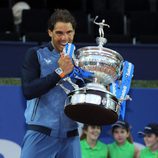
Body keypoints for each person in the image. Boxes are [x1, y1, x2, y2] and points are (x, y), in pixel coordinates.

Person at [20, 9, 82, 158]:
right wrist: (60, 72)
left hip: (71, 137)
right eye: (59, 33)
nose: (65, 38)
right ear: (50, 32)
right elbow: (29, 90)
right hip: (40, 134)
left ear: (74, 33)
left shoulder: (81, 60)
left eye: (69, 32)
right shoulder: (36, 54)